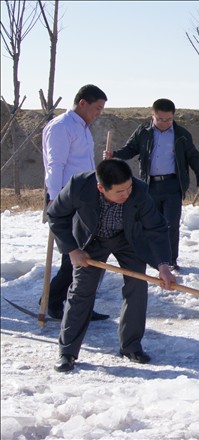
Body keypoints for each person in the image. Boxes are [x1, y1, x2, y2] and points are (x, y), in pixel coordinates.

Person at [47, 159, 176, 372]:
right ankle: (67, 352)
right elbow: (56, 215)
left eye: (129, 188)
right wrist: (72, 250)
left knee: (137, 286)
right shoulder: (79, 186)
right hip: (91, 241)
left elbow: (156, 228)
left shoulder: (139, 190)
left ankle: (131, 346)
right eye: (119, 191)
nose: (127, 194)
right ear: (101, 188)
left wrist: (163, 266)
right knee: (81, 291)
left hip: (127, 239)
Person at [104, 98, 199, 272]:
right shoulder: (143, 132)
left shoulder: (181, 134)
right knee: (150, 224)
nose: (165, 123)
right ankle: (154, 258)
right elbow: (130, 149)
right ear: (152, 115)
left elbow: (193, 157)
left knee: (171, 225)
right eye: (160, 119)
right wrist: (114, 154)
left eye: (169, 119)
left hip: (173, 185)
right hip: (149, 185)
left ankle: (170, 260)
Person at [41, 84, 109, 321]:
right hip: (65, 198)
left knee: (87, 253)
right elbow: (55, 164)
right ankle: (53, 301)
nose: (99, 113)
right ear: (82, 103)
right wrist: (54, 199)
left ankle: (80, 304)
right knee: (73, 254)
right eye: (97, 108)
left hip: (85, 198)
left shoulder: (83, 128)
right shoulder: (61, 127)